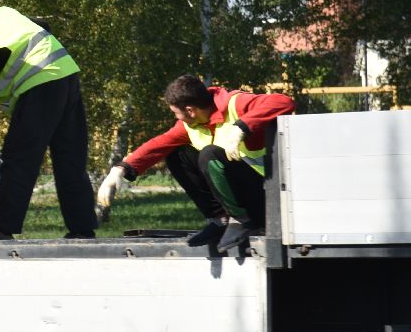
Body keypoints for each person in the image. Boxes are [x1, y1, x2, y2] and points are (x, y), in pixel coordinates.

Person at [0, 0, 99, 241]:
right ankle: (82, 228)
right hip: (66, 73)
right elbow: (43, 28)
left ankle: (3, 227)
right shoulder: (1, 14)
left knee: (20, 157)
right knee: (70, 158)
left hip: (40, 83)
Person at [97, 75, 293, 254]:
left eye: (176, 112)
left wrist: (241, 128)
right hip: (243, 196)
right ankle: (220, 220)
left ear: (190, 110)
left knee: (209, 155)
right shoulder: (189, 124)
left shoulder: (235, 104)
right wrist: (119, 170)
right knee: (175, 153)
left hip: (267, 198)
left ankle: (241, 221)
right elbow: (158, 144)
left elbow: (284, 101)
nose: (176, 118)